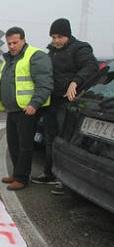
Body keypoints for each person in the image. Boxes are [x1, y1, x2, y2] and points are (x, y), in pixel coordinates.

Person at [31, 18, 98, 195]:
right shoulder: (51, 51)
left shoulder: (80, 48)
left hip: (69, 104)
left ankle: (65, 180)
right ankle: (49, 173)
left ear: (67, 35)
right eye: (53, 37)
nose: (56, 40)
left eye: (59, 36)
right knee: (50, 138)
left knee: (65, 141)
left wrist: (75, 82)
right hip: (51, 102)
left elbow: (91, 66)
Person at [0, 27, 53, 190]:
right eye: (9, 43)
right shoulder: (8, 59)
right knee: (13, 143)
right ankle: (17, 173)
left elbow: (44, 83)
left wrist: (34, 104)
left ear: (23, 39)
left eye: (15, 42)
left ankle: (22, 178)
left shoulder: (35, 56)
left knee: (25, 145)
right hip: (13, 109)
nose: (12, 46)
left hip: (27, 109)